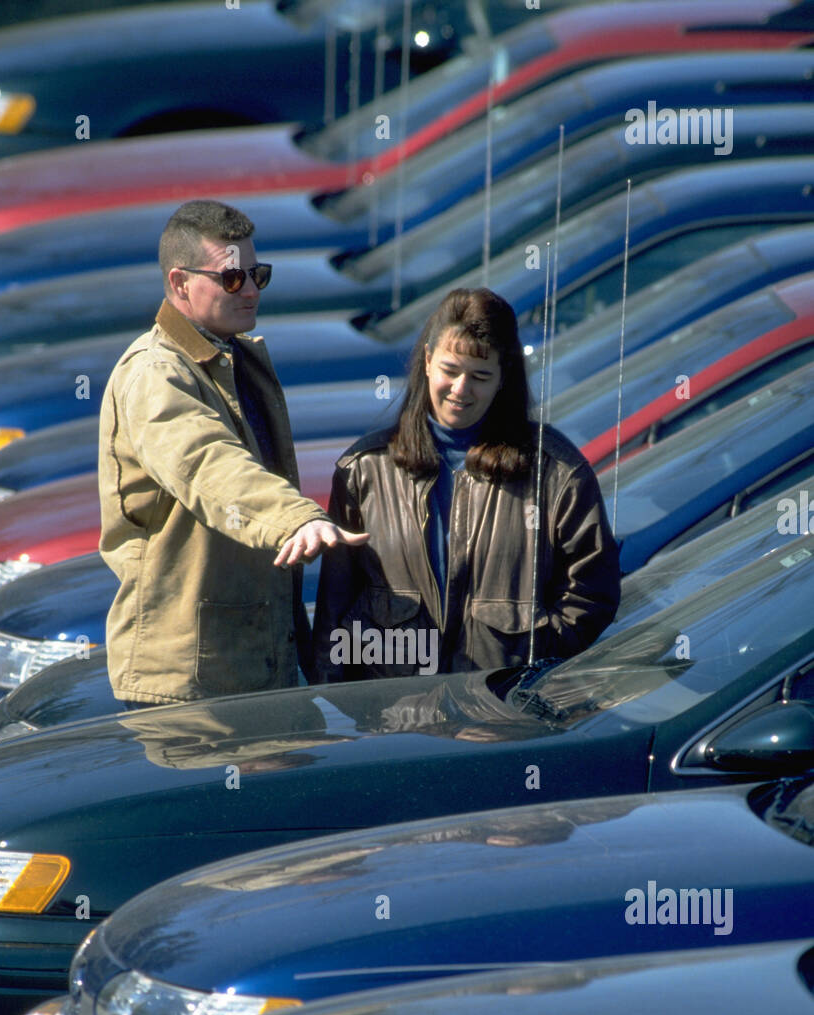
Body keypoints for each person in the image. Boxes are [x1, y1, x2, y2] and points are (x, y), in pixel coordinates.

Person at [98, 199, 367, 706]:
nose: (250, 290)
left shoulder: (234, 355)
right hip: (187, 684)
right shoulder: (156, 373)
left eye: (257, 275)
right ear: (180, 283)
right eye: (231, 278)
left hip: (248, 665)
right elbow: (207, 463)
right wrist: (294, 519)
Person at [312, 287, 620, 682]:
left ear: (503, 378)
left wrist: (529, 667)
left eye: (480, 376)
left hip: (502, 711)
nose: (460, 389)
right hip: (390, 712)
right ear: (427, 361)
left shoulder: (556, 472)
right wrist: (340, 702)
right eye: (450, 370)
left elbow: (591, 594)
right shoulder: (364, 470)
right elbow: (335, 610)